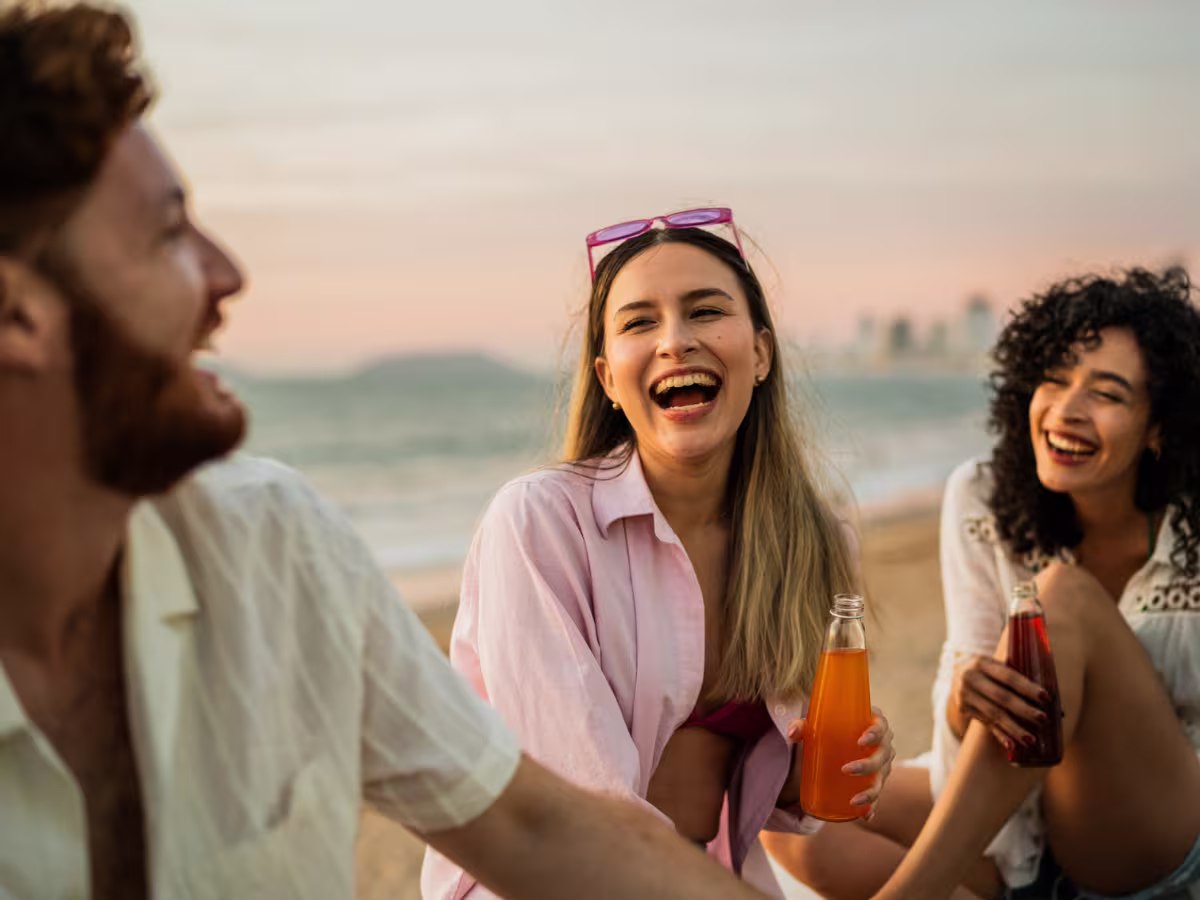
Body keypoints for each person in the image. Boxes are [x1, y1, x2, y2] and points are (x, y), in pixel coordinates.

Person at [0, 5, 797, 899]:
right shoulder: (534, 523)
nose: (228, 275)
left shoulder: (269, 547)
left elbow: (535, 825)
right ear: (17, 314)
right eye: (166, 236)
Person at [422, 212, 896, 899]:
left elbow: (787, 799)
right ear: (608, 377)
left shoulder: (815, 546)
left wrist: (838, 769)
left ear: (761, 354)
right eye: (639, 323)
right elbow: (586, 818)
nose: (675, 341)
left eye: (705, 310)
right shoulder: (538, 525)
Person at [767, 267, 1200, 900]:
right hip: (1029, 824)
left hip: (1156, 830)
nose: (1067, 411)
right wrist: (966, 694)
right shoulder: (982, 495)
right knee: (795, 808)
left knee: (1058, 600)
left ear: (1160, 426)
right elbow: (960, 687)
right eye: (1054, 380)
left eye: (1105, 394)